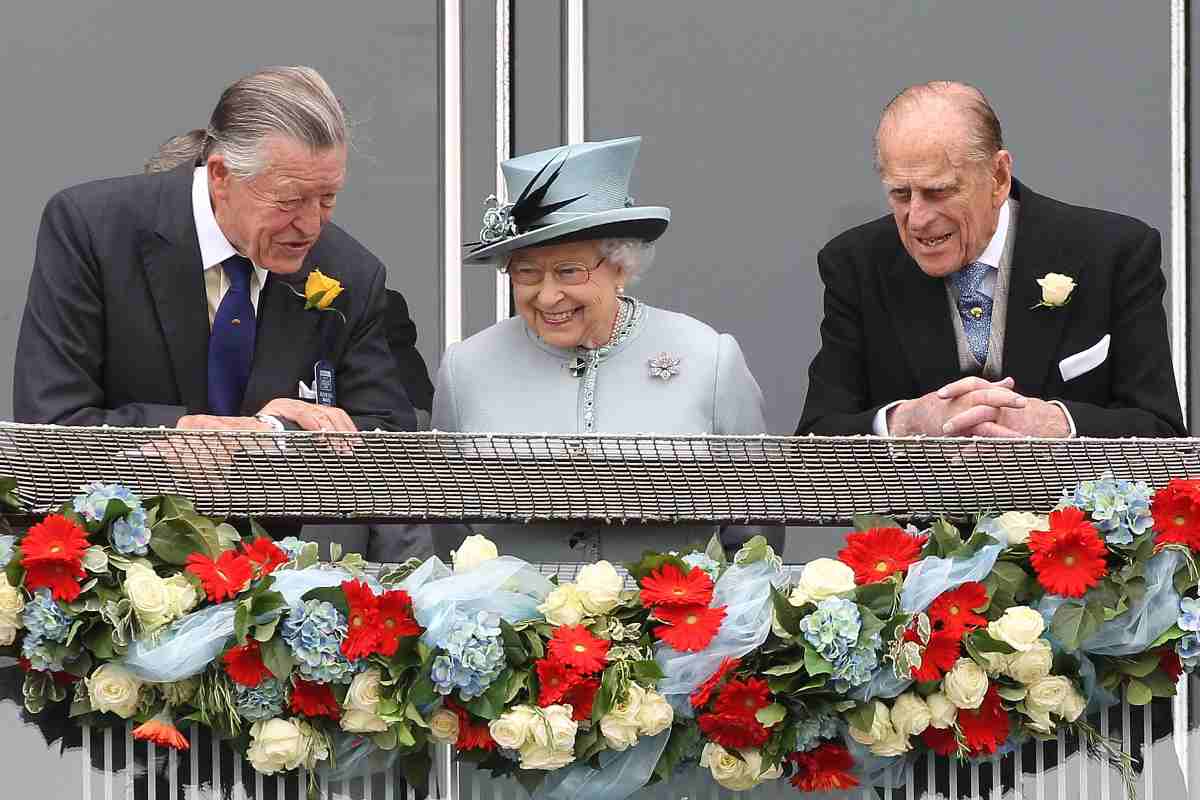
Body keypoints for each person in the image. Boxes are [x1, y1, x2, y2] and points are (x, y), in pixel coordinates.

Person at [14, 65, 417, 436]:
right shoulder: (94, 229)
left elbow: (389, 437)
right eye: (289, 200)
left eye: (328, 198)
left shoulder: (351, 271)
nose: (311, 226)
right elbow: (51, 423)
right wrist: (192, 433)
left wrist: (276, 434)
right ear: (221, 175)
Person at [433, 136, 779, 562]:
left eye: (569, 271)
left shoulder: (709, 359)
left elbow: (757, 528)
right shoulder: (466, 368)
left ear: (621, 264)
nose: (547, 296)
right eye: (527, 273)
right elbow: (449, 531)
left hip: (671, 622)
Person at [796, 81, 1186, 439]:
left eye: (938, 192)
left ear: (998, 177)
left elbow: (1163, 433)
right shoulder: (856, 264)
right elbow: (813, 442)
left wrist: (1057, 425)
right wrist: (906, 422)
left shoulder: (1114, 254)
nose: (917, 219)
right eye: (901, 194)